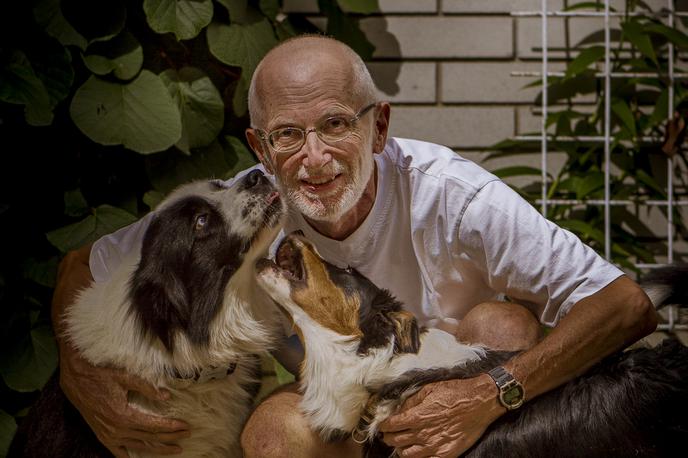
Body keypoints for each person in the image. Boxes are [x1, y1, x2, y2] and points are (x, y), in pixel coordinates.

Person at [52, 35, 657, 458]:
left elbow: (626, 303)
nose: (313, 159)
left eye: (336, 125)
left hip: (465, 390)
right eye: (288, 135)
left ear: (379, 126)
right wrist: (80, 371)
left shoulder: (454, 195)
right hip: (347, 401)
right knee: (269, 436)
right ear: (261, 148)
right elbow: (84, 264)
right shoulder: (243, 211)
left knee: (497, 322)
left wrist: (488, 392)